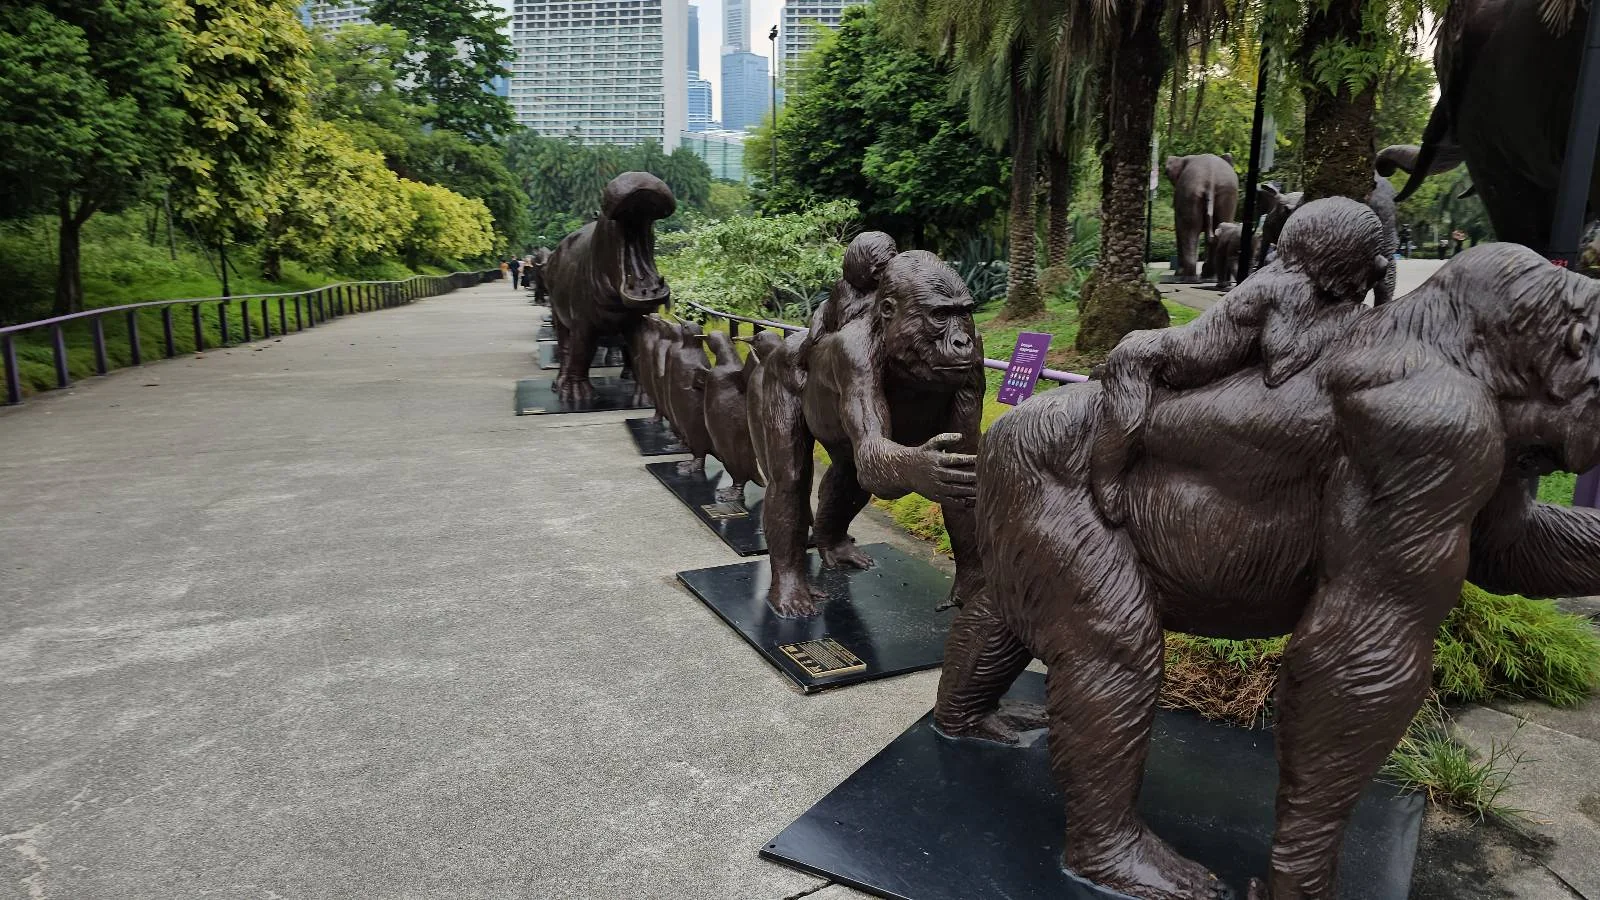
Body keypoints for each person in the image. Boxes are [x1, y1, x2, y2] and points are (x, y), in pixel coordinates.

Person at [1090, 198, 1393, 523]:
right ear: (1338, 251)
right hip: (1152, 358)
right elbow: (1282, 362)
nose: (1377, 266)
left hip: (1161, 350)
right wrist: (1350, 316)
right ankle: (1105, 481)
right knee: (1126, 423)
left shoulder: (1291, 280)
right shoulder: (1288, 288)